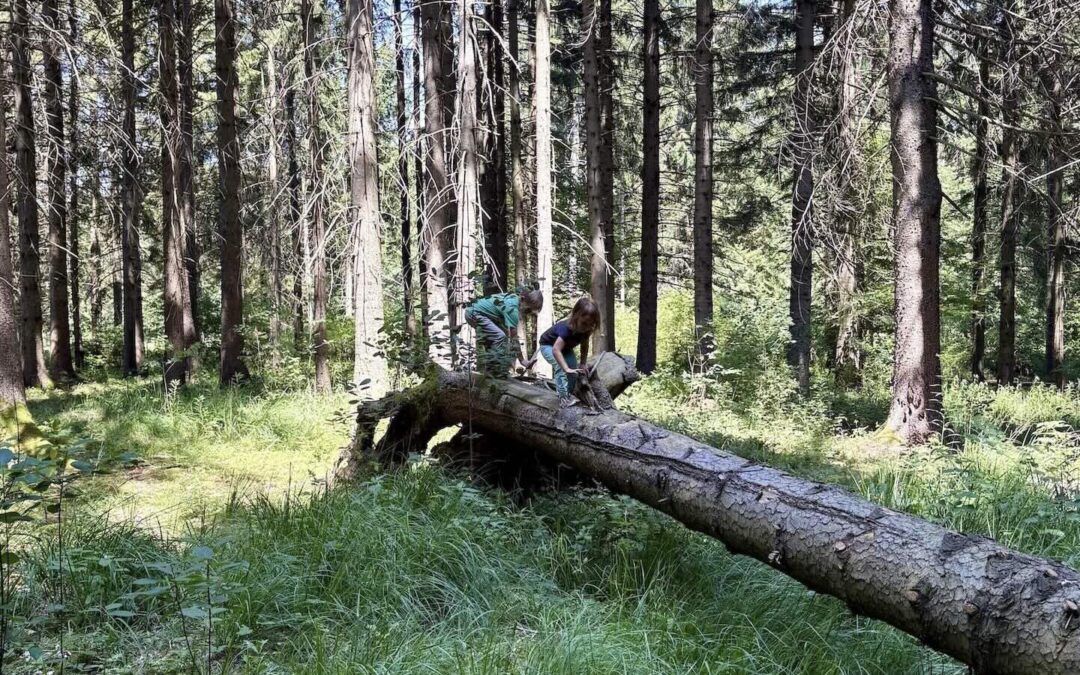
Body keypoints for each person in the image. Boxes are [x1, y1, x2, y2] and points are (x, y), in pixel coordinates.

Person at [538, 297, 601, 407]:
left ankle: (569, 393)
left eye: (591, 324)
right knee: (561, 368)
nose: (587, 327)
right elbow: (556, 350)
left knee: (573, 371)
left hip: (566, 349)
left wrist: (582, 363)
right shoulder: (566, 328)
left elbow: (584, 346)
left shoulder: (587, 330)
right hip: (548, 346)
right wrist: (565, 368)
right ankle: (563, 398)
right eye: (584, 323)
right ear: (577, 316)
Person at [465, 287, 544, 373]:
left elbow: (509, 335)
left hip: (478, 312)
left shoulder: (513, 297)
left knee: (500, 337)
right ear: (523, 299)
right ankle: (493, 371)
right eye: (528, 309)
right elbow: (514, 339)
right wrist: (522, 361)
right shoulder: (512, 309)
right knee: (499, 336)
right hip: (474, 313)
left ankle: (492, 371)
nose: (527, 312)